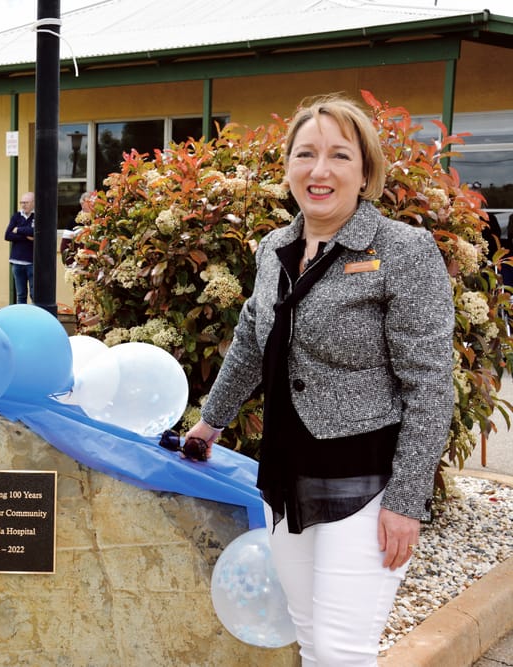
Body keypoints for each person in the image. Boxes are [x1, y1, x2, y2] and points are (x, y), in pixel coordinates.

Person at [184, 94, 453, 666]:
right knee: (310, 641)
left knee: (341, 650)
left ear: (366, 172)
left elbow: (430, 385)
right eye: (306, 154)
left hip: (366, 481)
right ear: (288, 168)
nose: (320, 170)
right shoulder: (273, 249)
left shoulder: (404, 251)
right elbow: (253, 341)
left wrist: (407, 500)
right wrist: (211, 422)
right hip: (286, 473)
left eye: (338, 155)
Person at [4, 191, 35, 303]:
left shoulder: (38, 216)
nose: (23, 205)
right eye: (21, 202)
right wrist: (28, 237)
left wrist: (19, 230)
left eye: (26, 202)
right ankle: (22, 318)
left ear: (33, 203)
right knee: (21, 294)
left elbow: (36, 232)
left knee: (34, 294)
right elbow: (7, 235)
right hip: (17, 261)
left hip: (32, 262)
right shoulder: (17, 216)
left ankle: (35, 317)